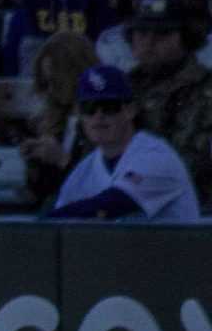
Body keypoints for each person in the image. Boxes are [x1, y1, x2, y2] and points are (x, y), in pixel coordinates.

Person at [44, 64, 200, 221]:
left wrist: (48, 219)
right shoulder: (83, 172)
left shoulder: (156, 156)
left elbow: (111, 205)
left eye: (108, 107)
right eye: (89, 108)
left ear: (130, 110)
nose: (98, 116)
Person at [124, 0, 212, 202]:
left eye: (162, 33)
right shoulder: (123, 88)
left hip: (192, 209)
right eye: (142, 32)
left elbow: (190, 163)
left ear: (186, 37)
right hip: (122, 201)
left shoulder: (205, 90)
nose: (149, 42)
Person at [15, 29, 96, 206]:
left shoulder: (104, 120)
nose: (50, 90)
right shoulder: (55, 120)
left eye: (56, 81)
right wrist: (37, 160)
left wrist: (62, 159)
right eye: (46, 83)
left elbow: (99, 185)